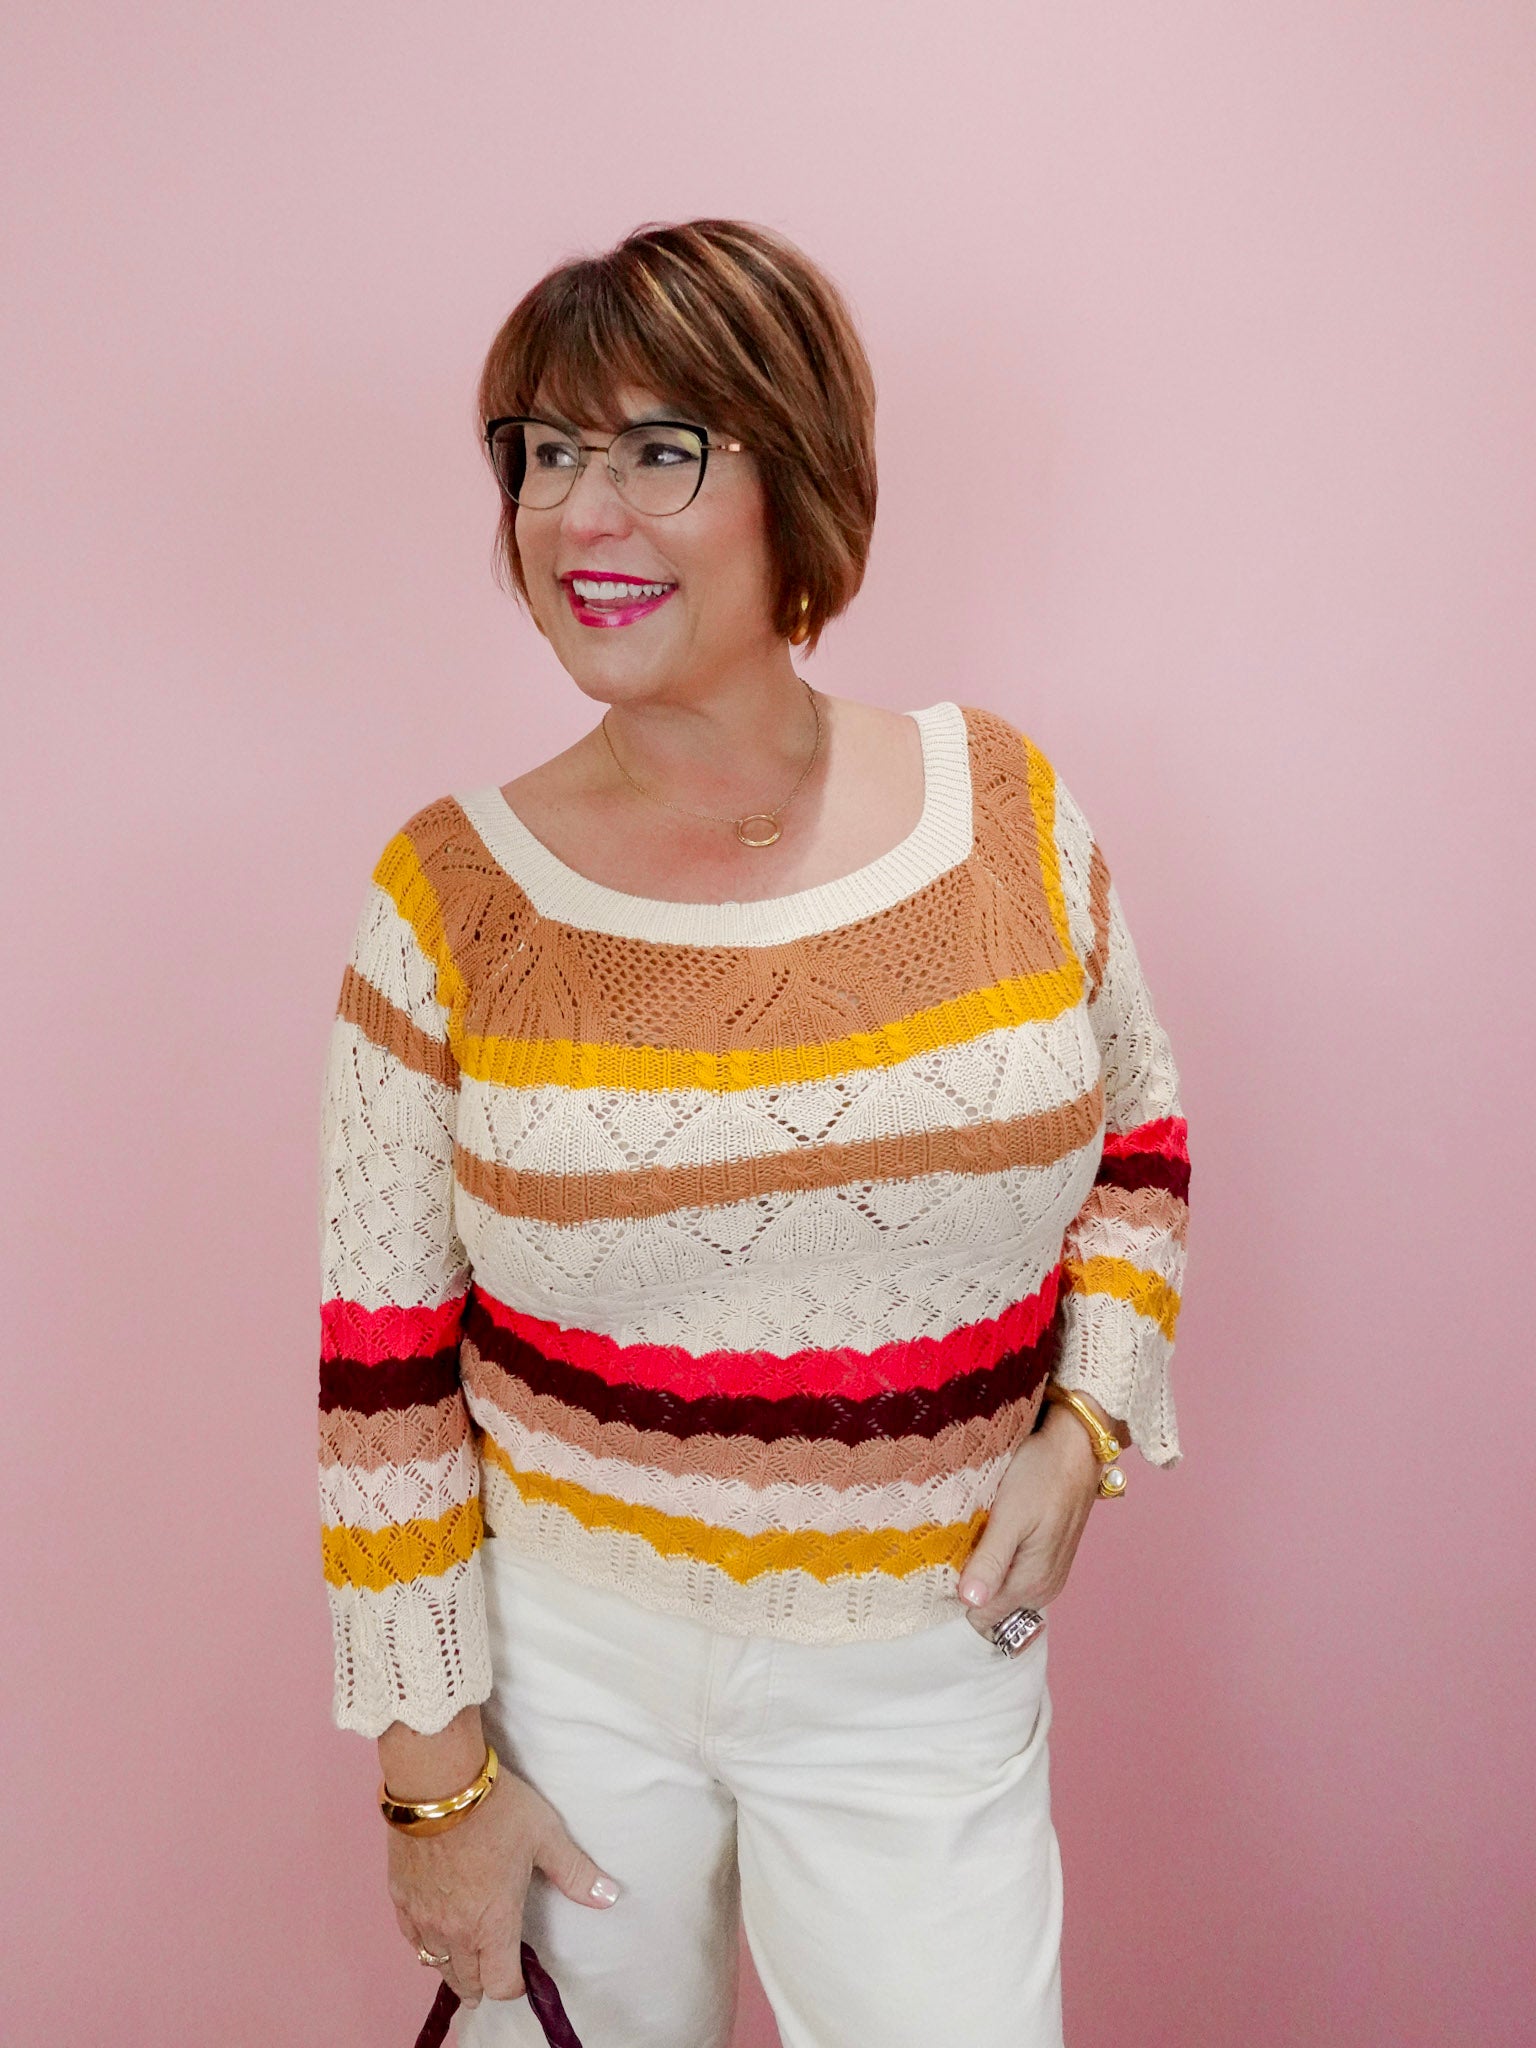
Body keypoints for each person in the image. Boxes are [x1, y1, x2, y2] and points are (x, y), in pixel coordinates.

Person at [316, 218, 1190, 2048]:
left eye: (658, 450)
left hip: (925, 1665)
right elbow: (383, 1386)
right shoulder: (450, 898)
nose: (581, 514)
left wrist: (1086, 1430)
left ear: (797, 472)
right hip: (570, 1673)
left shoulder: (1005, 817)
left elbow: (1141, 1145)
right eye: (545, 454)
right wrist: (434, 1793)